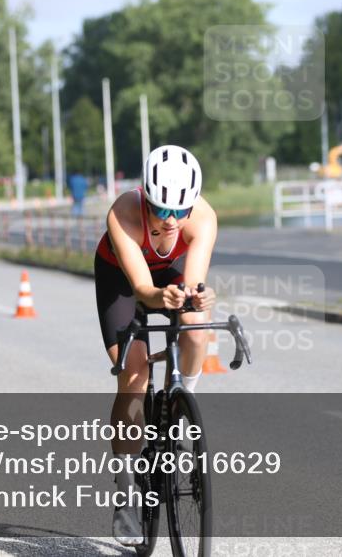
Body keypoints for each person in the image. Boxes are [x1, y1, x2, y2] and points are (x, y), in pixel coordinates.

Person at [94, 145, 217, 546]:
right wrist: (156, 296)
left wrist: (198, 296)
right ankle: (127, 486)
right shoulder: (123, 212)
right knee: (135, 374)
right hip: (124, 279)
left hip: (171, 271)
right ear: (144, 197)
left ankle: (182, 403)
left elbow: (192, 281)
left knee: (196, 327)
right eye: (160, 210)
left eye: (179, 212)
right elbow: (143, 289)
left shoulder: (203, 218)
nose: (169, 220)